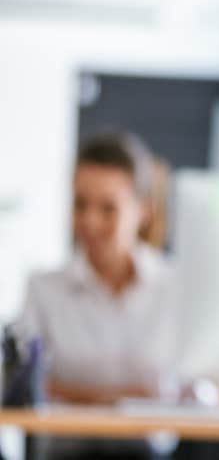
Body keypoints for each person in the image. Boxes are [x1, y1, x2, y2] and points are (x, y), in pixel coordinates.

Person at [13, 132, 179, 459]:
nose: (89, 221)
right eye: (80, 204)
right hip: (66, 452)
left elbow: (198, 387)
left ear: (142, 209)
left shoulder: (175, 286)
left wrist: (79, 395)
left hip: (153, 454)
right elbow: (26, 386)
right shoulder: (44, 288)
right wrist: (122, 399)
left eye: (107, 208)